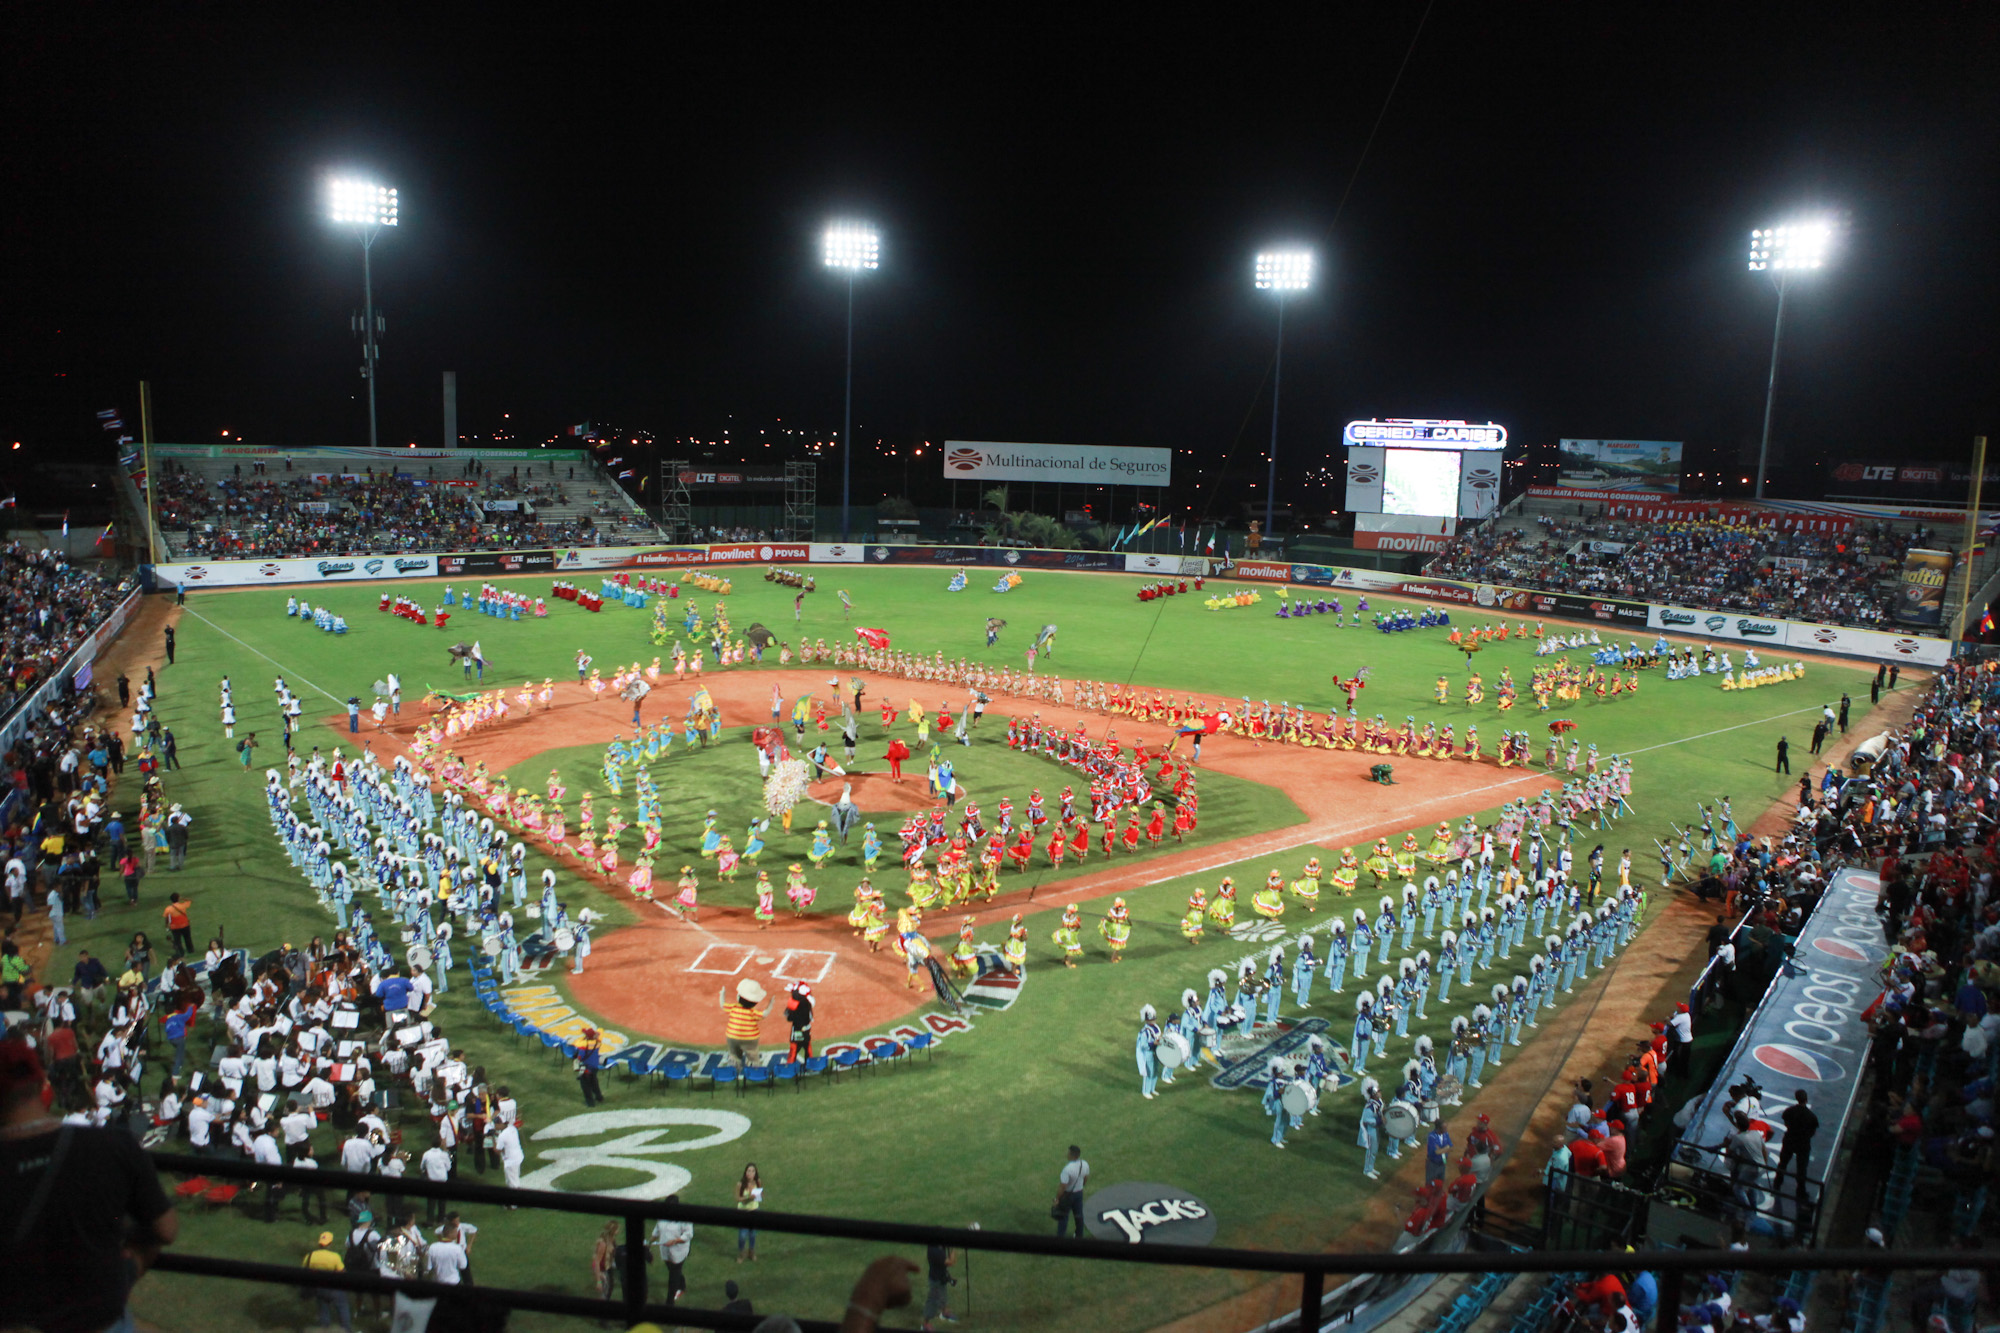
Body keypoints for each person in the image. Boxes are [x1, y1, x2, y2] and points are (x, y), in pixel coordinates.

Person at [0, 1037, 179, 1333]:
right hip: (98, 1321)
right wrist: (127, 1269)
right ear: (43, 1083)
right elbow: (166, 1229)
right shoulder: (112, 1145)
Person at [303, 1230, 352, 1333]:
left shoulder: (310, 1256)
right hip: (333, 1288)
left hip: (318, 1287)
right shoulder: (334, 1257)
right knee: (343, 1307)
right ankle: (346, 1330)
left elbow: (304, 1270)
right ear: (330, 1244)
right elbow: (342, 1272)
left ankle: (324, 1329)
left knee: (323, 1308)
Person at [649, 1194, 693, 1306]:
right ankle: (682, 1284)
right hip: (665, 1250)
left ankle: (669, 1303)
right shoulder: (662, 1215)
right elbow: (657, 1229)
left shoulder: (684, 1217)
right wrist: (649, 1243)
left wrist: (675, 1241)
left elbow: (688, 1235)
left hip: (679, 1251)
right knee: (673, 1271)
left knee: (672, 1277)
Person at [1779, 1089, 1818, 1196]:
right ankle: (1800, 1191)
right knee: (1801, 1168)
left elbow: (1785, 1121)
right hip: (1803, 1144)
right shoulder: (1811, 1116)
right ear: (1806, 1099)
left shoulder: (1789, 1111)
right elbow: (1812, 1132)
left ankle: (1777, 1183)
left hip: (1790, 1140)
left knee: (1783, 1163)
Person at [1054, 1144, 1089, 1237]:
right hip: (1079, 1193)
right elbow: (1085, 1178)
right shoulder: (1084, 1164)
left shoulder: (1067, 1169)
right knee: (1079, 1216)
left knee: (1063, 1216)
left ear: (1071, 1155)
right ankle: (1079, 1236)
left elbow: (1063, 1186)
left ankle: (1060, 1238)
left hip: (1067, 1196)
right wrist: (1080, 1186)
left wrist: (1057, 1198)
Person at [922, 1242, 957, 1331]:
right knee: (933, 1301)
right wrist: (953, 1249)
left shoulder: (937, 1246)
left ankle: (944, 1312)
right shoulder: (935, 1251)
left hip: (941, 1276)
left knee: (943, 1295)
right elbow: (951, 1262)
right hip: (936, 1279)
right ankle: (925, 1324)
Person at [736, 1163, 765, 1262]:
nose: (751, 1173)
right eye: (749, 1171)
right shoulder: (740, 1184)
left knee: (753, 1234)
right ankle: (741, 1253)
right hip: (743, 1212)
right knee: (742, 1235)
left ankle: (751, 1252)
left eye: (753, 1171)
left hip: (755, 1211)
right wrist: (749, 1197)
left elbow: (761, 1195)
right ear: (745, 1172)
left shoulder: (758, 1181)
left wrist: (759, 1195)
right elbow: (738, 1198)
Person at [162, 891, 194, 956]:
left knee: (177, 941)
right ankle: (190, 950)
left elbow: (167, 918)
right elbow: (190, 900)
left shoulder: (168, 909)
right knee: (187, 938)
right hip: (185, 925)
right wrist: (182, 898)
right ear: (178, 898)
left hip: (175, 927)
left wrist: (166, 925)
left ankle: (181, 952)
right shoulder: (183, 905)